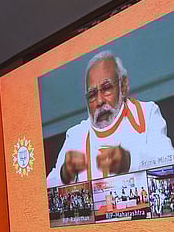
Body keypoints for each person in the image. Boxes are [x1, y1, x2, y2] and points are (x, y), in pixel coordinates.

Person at [47, 51, 174, 186]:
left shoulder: (145, 114)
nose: (99, 101)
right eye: (92, 95)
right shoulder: (76, 135)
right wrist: (64, 174)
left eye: (106, 88)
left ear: (123, 86)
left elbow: (169, 162)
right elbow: (46, 187)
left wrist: (129, 160)